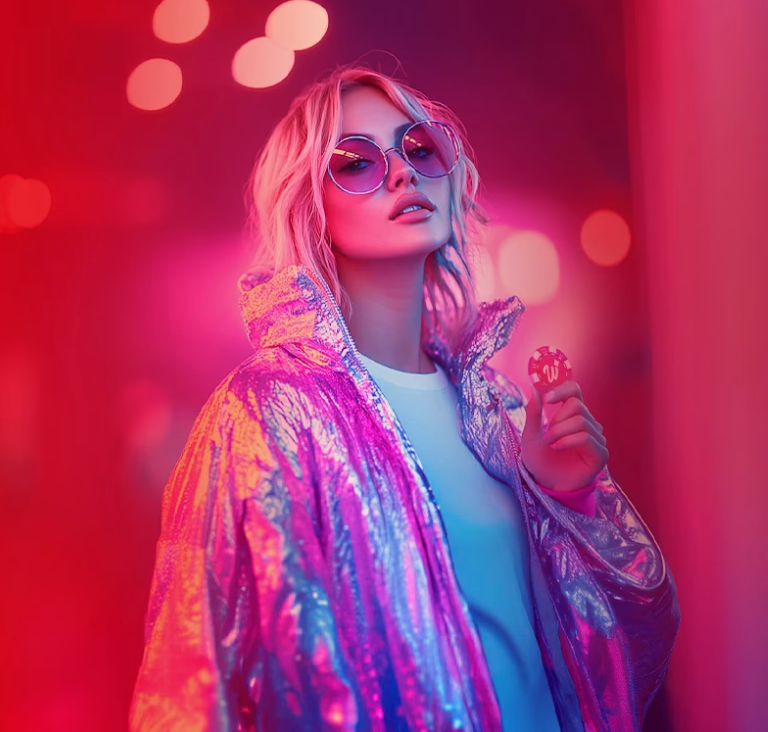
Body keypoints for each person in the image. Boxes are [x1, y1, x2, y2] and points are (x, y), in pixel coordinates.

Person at [129, 66, 680, 731]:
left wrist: (569, 500)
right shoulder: (265, 412)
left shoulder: (499, 409)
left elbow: (620, 646)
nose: (401, 172)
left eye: (420, 149)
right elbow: (195, 678)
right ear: (309, 205)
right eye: (355, 163)